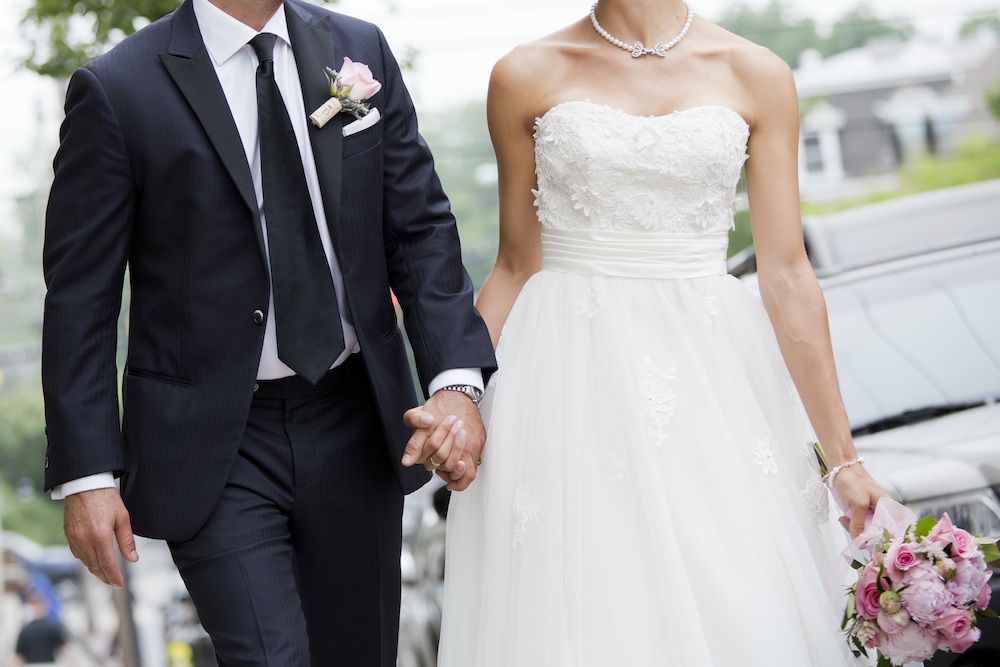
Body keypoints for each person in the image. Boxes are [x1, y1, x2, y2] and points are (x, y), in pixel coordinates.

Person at [429, 1, 891, 664]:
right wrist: (459, 396)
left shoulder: (756, 73)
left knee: (739, 596)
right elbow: (513, 264)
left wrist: (844, 459)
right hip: (567, 388)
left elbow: (787, 274)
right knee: (592, 609)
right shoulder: (523, 74)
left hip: (713, 384)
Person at [40, 0, 495, 665]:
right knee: (267, 655)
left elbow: (419, 229)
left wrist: (455, 382)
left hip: (356, 418)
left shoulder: (357, 47)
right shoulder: (118, 88)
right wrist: (85, 472)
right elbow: (81, 296)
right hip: (215, 439)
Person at [12, 594, 68, 666]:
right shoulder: (52, 627)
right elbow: (63, 650)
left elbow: (19, 657)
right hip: (49, 664)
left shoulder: (25, 631)